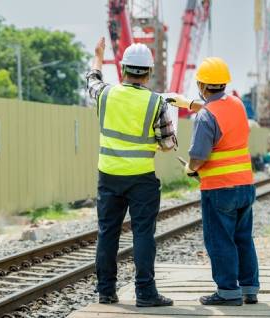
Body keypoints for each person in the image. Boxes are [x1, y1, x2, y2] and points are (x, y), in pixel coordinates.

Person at [86, 37, 176, 307]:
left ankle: (106, 291)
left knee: (107, 233)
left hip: (109, 176)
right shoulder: (156, 103)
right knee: (143, 234)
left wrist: (99, 56)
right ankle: (146, 293)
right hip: (141, 180)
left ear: (123, 69)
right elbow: (168, 144)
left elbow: (91, 80)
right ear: (148, 72)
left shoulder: (105, 94)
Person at [170, 57, 259, 306]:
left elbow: (198, 155)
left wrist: (190, 168)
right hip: (245, 184)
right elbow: (219, 110)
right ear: (223, 83)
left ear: (201, 84)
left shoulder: (205, 117)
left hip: (219, 189)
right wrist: (189, 104)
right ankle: (249, 289)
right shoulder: (239, 105)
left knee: (220, 239)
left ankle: (228, 292)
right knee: (243, 238)